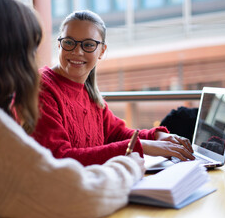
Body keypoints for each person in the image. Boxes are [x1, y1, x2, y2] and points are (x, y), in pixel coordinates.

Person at [0, 0, 146, 218]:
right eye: (29, 50)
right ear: (9, 55)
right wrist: (130, 166)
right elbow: (75, 196)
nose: (33, 63)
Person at [32, 10, 195, 166]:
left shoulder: (90, 94)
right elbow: (60, 158)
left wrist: (156, 136)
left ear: (102, 50)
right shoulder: (42, 89)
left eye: (88, 45)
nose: (77, 51)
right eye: (69, 42)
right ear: (59, 44)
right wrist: (141, 146)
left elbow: (116, 134)